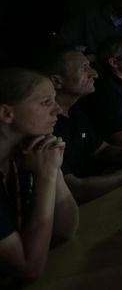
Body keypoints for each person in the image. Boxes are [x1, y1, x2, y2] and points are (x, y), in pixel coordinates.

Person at [37, 46, 122, 203]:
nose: (95, 74)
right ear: (57, 81)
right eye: (84, 68)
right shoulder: (46, 127)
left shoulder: (74, 111)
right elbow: (75, 190)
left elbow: (101, 150)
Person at [0, 68, 79, 285]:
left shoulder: (24, 153)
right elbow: (28, 268)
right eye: (46, 102)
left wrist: (53, 169)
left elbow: (66, 230)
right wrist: (45, 177)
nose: (57, 109)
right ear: (7, 113)